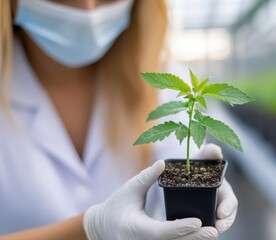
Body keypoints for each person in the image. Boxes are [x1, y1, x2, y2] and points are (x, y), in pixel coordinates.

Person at [0, 0, 238, 239]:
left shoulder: (165, 85)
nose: (88, 9)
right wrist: (90, 229)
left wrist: (201, 185)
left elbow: (177, 162)